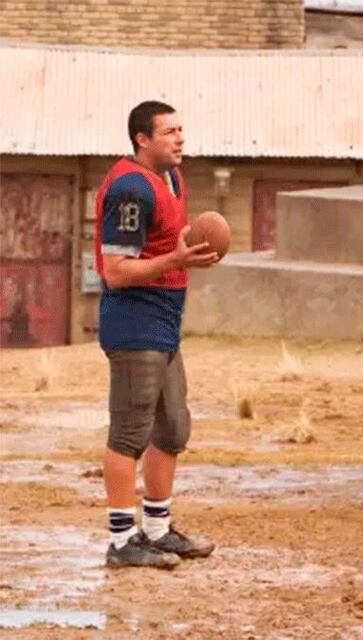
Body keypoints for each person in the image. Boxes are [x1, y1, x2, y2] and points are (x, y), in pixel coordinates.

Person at [95, 101, 217, 569]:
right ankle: (122, 541)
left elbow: (165, 239)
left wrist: (194, 244)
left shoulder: (173, 178)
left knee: (172, 428)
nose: (180, 138)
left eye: (182, 129)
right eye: (169, 131)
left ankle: (158, 530)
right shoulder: (130, 189)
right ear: (142, 139)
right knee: (129, 432)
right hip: (134, 322)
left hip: (165, 320)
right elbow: (116, 271)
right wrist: (176, 262)